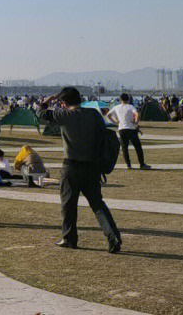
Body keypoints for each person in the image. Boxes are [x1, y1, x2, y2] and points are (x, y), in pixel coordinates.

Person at [38, 87, 121, 253]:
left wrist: (49, 98)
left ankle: (69, 238)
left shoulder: (64, 115)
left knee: (68, 204)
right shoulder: (93, 114)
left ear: (63, 102)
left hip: (71, 166)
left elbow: (41, 113)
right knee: (97, 204)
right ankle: (113, 236)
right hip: (92, 166)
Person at [107, 93, 150, 170]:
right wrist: (136, 121)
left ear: (120, 100)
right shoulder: (131, 106)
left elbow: (108, 115)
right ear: (128, 99)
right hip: (131, 128)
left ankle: (128, 164)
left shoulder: (116, 107)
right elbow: (137, 114)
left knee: (124, 147)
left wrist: (115, 122)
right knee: (137, 146)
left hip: (122, 128)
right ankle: (142, 164)